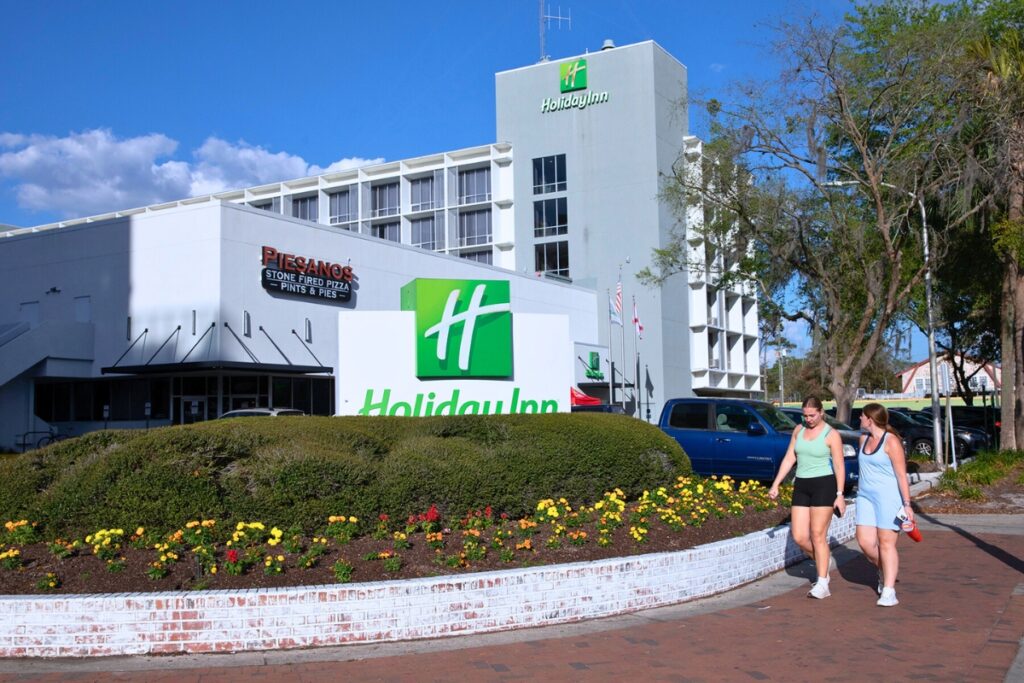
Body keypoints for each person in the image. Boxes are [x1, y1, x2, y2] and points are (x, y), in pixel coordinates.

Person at [769, 396, 846, 599]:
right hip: (802, 484)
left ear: (821, 412)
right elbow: (790, 457)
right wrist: (776, 484)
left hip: (824, 485)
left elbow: (839, 466)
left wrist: (840, 495)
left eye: (812, 415)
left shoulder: (832, 434)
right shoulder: (798, 430)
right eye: (805, 415)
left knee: (818, 534)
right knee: (800, 537)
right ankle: (823, 561)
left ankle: (822, 583)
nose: (808, 419)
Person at [855, 402, 913, 607]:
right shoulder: (863, 439)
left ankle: (889, 590)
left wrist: (907, 504)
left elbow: (901, 475)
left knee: (886, 543)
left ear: (870, 419)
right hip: (865, 497)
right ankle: (886, 570)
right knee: (865, 542)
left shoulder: (892, 442)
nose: (860, 418)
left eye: (862, 416)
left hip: (888, 498)